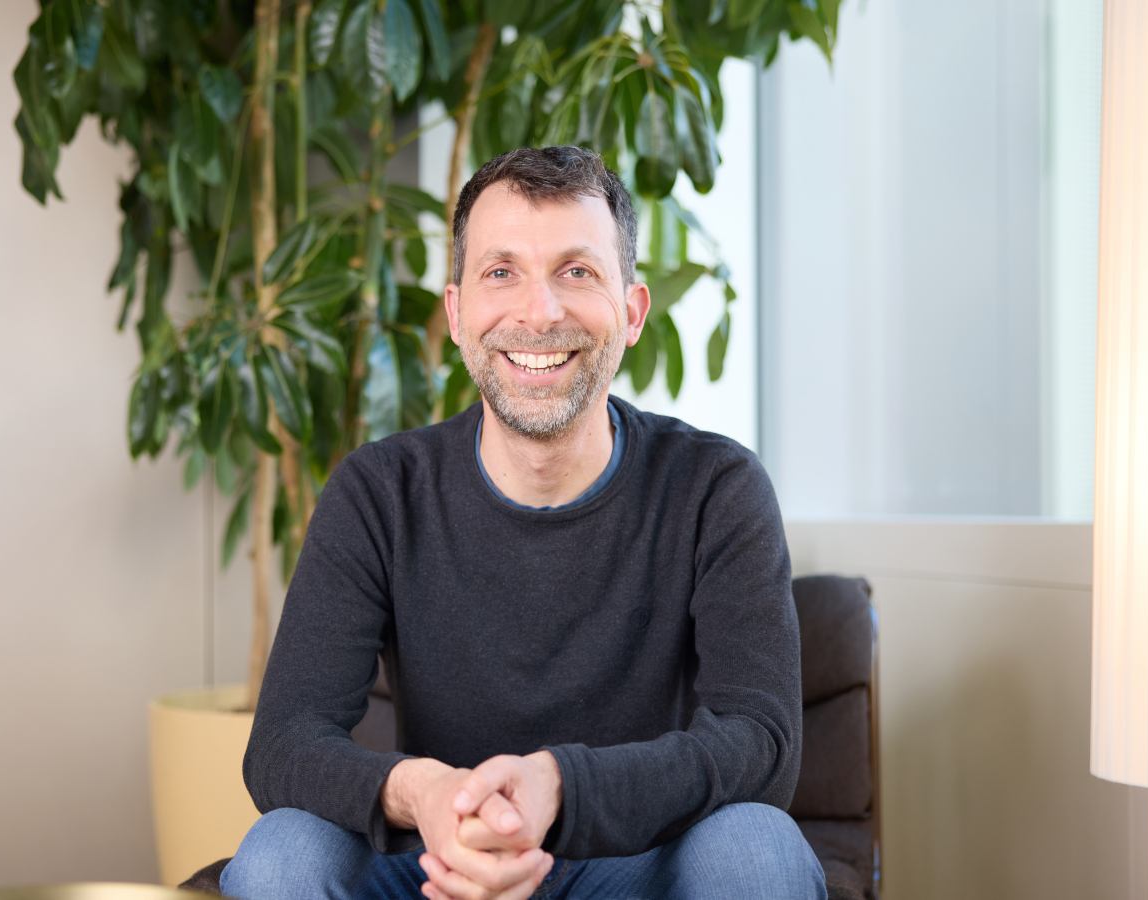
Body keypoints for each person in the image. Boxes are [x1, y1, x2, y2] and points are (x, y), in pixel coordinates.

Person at [220, 146, 826, 900]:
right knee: (281, 854)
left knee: (755, 850)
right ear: (456, 313)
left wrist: (560, 787)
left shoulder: (716, 488)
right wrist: (428, 797)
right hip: (436, 866)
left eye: (577, 272)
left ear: (631, 313)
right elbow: (283, 745)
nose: (539, 313)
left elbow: (761, 741)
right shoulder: (378, 491)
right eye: (501, 272)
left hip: (635, 867)